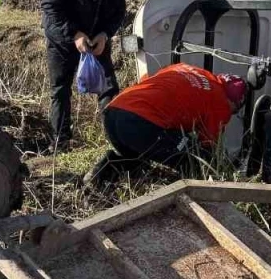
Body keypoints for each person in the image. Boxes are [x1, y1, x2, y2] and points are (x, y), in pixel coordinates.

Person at [83, 63, 247, 187]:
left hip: (113, 113)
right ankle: (188, 196)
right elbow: (207, 146)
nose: (229, 115)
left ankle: (104, 169)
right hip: (139, 121)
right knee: (189, 160)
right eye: (234, 110)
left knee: (140, 160)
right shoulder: (221, 102)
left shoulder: (187, 69)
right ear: (233, 102)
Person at [40, 0, 128, 145]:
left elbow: (118, 13)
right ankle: (60, 144)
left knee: (109, 88)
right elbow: (50, 7)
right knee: (60, 89)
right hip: (63, 39)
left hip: (95, 39)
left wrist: (104, 34)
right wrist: (74, 34)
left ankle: (115, 141)